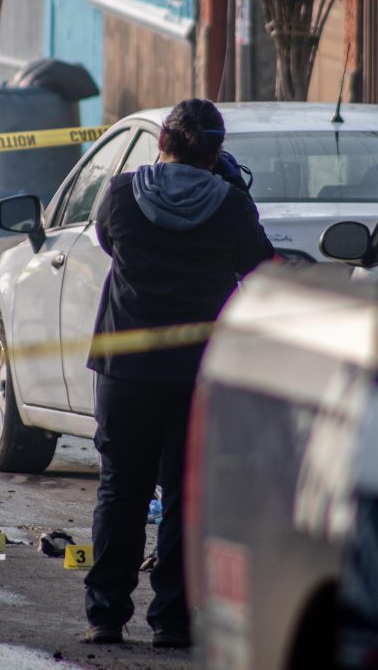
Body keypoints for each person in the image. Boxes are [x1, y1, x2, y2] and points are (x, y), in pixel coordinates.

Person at [83, 98, 274, 648]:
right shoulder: (231, 208)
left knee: (120, 489)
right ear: (216, 153)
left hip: (125, 369)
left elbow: (108, 241)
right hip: (197, 372)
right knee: (186, 494)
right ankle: (173, 619)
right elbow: (259, 268)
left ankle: (105, 616)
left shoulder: (120, 194)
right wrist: (235, 193)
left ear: (161, 142)